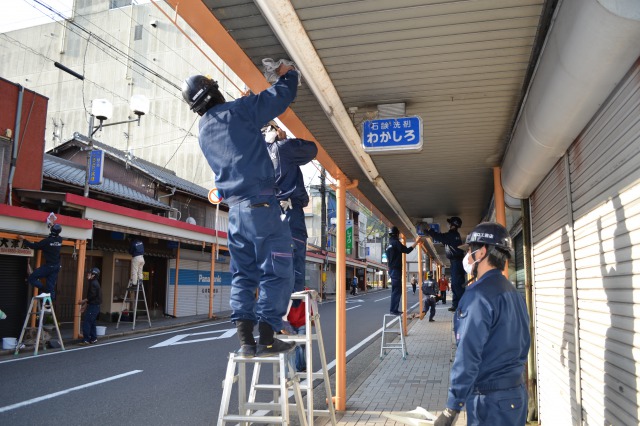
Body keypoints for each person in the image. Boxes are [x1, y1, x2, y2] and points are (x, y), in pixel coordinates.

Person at [182, 64, 299, 357]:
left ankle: (247, 341)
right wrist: (289, 73)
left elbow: (239, 140)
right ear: (216, 91)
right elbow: (280, 97)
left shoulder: (204, 131)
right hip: (261, 206)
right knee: (277, 269)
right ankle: (269, 337)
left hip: (234, 213)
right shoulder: (240, 110)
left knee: (244, 275)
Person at [434, 222, 530, 426]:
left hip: (490, 402)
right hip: (516, 396)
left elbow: (467, 355)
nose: (467, 256)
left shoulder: (478, 295)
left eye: (470, 250)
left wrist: (452, 407)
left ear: (482, 252)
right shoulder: (514, 293)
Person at [263, 122, 318, 304]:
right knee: (294, 268)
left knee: (272, 271)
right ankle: (294, 322)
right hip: (289, 214)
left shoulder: (252, 155)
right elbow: (311, 150)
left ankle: (275, 321)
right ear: (274, 130)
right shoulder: (281, 148)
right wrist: (285, 140)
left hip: (265, 218)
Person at [424, 217, 465, 312]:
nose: (448, 225)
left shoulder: (452, 235)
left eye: (450, 223)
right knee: (456, 285)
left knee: (457, 285)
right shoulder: (455, 235)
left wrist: (429, 230)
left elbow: (439, 237)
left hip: (456, 262)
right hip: (456, 262)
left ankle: (462, 306)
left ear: (453, 225)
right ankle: (456, 305)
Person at [18, 224, 63, 300]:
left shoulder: (46, 241)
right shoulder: (60, 240)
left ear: (51, 230)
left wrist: (24, 239)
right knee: (50, 285)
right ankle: (49, 302)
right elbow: (54, 237)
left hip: (49, 266)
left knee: (32, 278)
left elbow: (34, 246)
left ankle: (44, 290)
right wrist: (52, 226)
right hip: (56, 266)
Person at [385, 226, 421, 315]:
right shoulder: (396, 243)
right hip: (396, 270)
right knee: (397, 290)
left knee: (395, 290)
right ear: (397, 234)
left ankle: (393, 309)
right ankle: (393, 310)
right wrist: (416, 242)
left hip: (391, 269)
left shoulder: (388, 244)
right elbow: (407, 250)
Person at [78, 267, 102, 345]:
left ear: (93, 275)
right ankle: (93, 338)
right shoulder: (94, 282)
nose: (88, 275)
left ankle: (86, 340)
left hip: (93, 306)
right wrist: (85, 305)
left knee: (87, 322)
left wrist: (83, 301)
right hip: (95, 306)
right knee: (92, 322)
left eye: (90, 273)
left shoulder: (93, 283)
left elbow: (91, 296)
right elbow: (91, 297)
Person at [284, 298, 307, 373]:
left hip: (292, 323)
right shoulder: (306, 292)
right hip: (295, 323)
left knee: (298, 346)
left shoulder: (286, 291)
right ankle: (300, 367)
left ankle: (297, 368)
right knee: (299, 346)